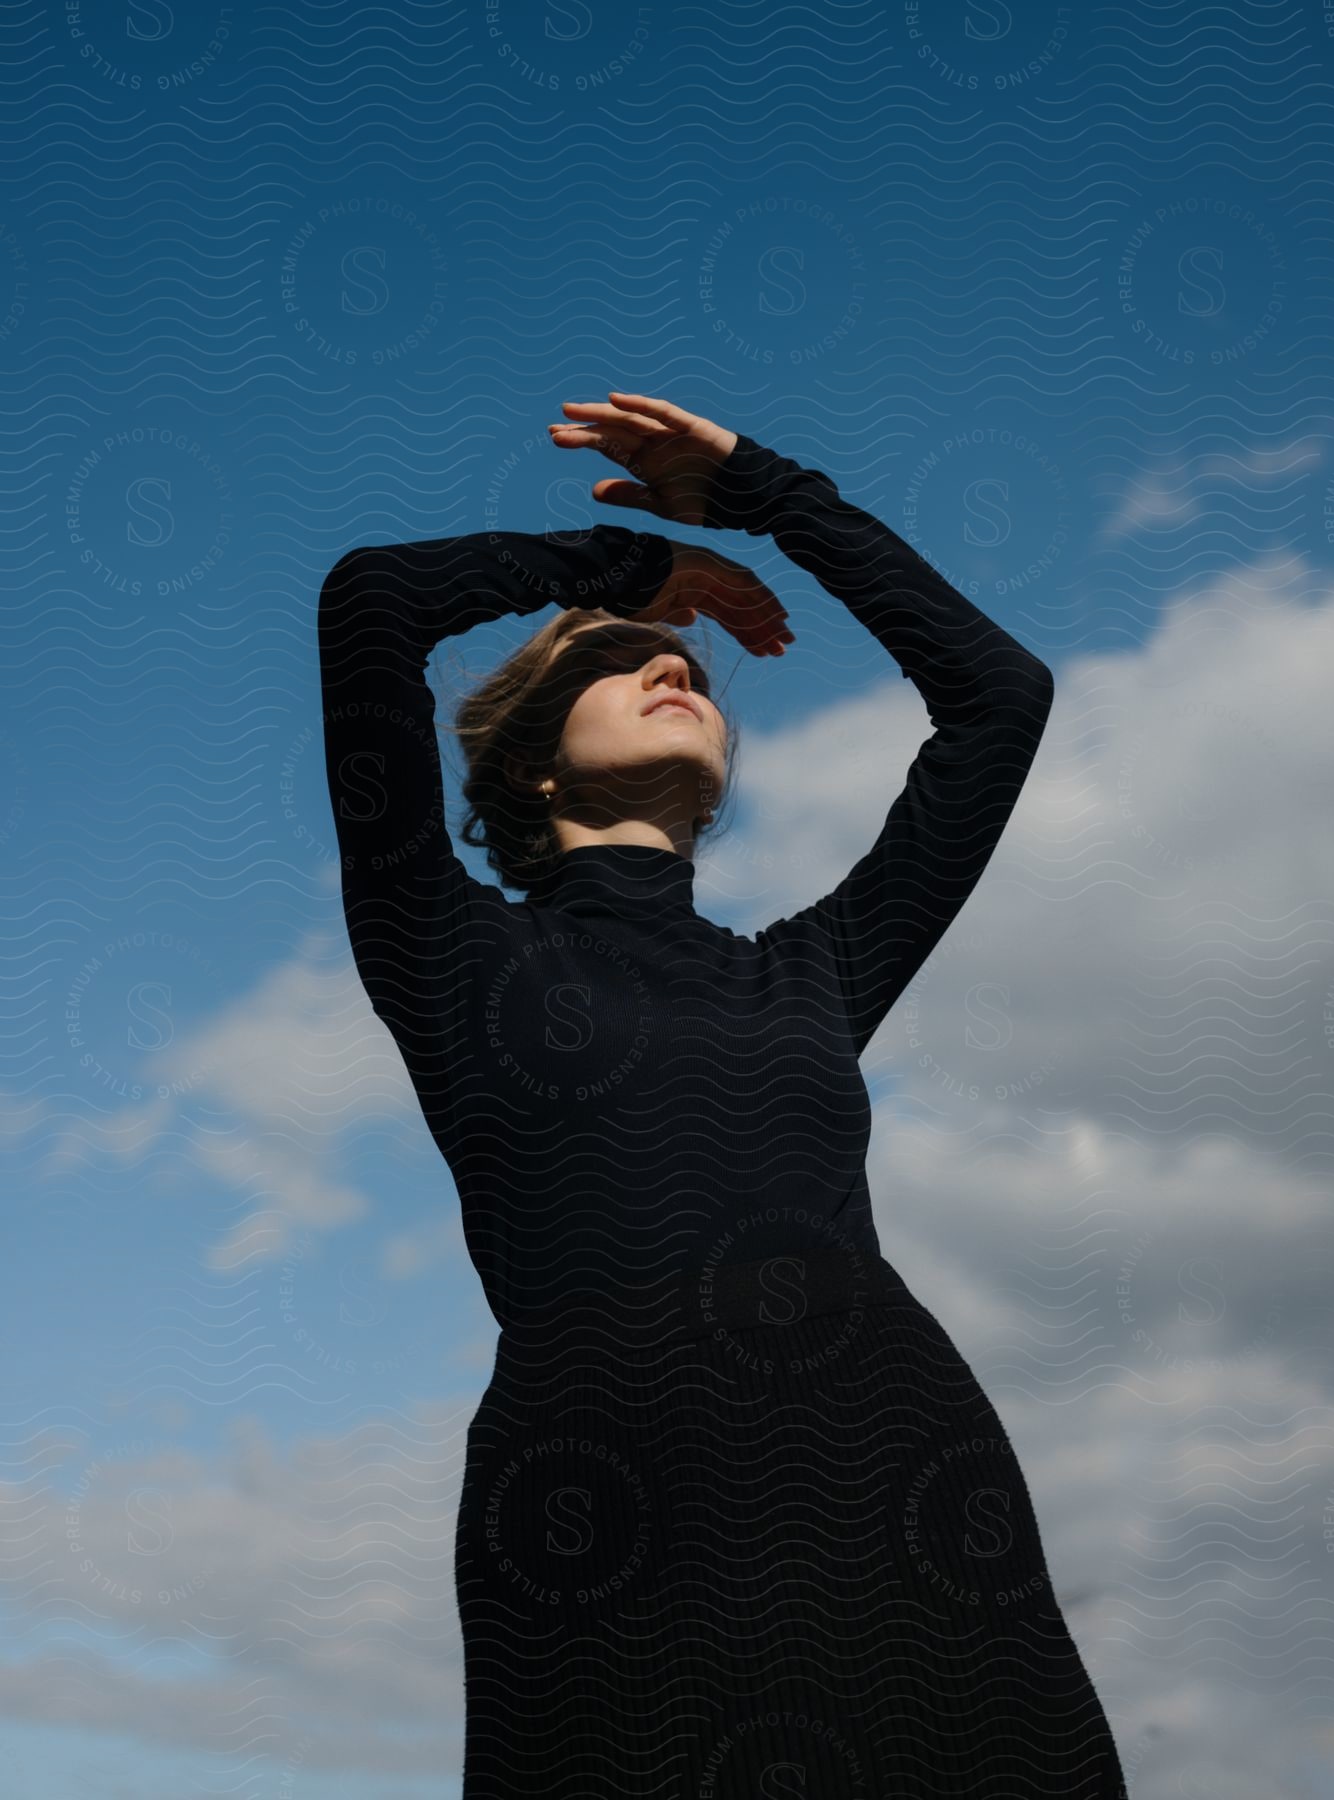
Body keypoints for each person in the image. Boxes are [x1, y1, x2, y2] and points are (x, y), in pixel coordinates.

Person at [317, 392, 1129, 1797]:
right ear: (526, 759)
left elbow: (999, 700)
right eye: (623, 665)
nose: (673, 668)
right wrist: (631, 574)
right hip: (608, 1486)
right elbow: (371, 602)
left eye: (683, 666)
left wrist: (767, 493)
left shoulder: (809, 973)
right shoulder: (444, 949)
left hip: (894, 1458)